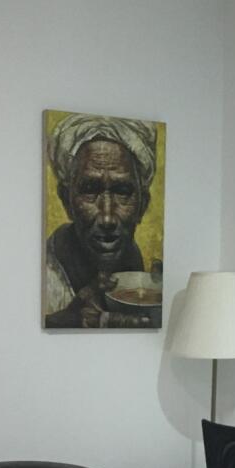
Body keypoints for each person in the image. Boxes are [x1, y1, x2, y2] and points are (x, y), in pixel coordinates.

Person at [43, 113, 160, 329]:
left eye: (122, 191)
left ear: (143, 205)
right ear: (66, 200)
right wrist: (60, 321)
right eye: (89, 190)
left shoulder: (141, 270)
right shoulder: (44, 277)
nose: (107, 217)